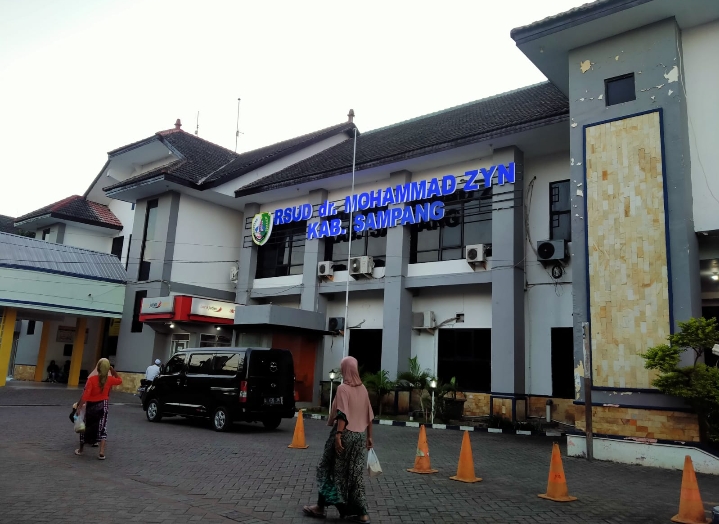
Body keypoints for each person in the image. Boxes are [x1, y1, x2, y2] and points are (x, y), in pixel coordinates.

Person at [303, 357, 374, 523]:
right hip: (359, 436)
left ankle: (320, 507)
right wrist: (370, 436)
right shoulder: (363, 388)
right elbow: (369, 415)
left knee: (326, 468)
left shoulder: (343, 388)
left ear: (345, 370)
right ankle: (362, 513)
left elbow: (342, 414)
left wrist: (338, 435)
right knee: (355, 474)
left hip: (344, 435)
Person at [74, 358, 122, 460]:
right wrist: (113, 371)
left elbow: (85, 395)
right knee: (102, 427)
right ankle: (101, 452)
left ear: (98, 367)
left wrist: (79, 407)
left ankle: (81, 450)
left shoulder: (91, 379)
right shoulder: (110, 379)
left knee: (85, 426)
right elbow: (119, 380)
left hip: (91, 406)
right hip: (103, 405)